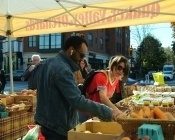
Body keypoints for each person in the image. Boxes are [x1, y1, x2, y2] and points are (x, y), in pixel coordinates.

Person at [34, 36, 122, 140]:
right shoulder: (63, 69)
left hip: (46, 123)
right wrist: (108, 112)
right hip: (58, 127)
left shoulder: (47, 63)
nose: (82, 59)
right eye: (81, 55)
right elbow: (77, 101)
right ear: (71, 50)